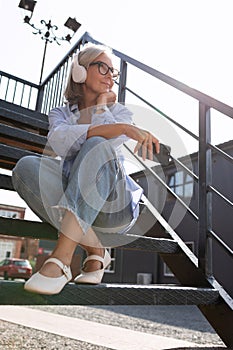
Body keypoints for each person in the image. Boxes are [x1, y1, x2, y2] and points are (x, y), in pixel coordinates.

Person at [12, 43, 160, 295]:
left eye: (113, 72)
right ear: (80, 72)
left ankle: (61, 259)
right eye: (102, 67)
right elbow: (61, 142)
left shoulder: (119, 112)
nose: (109, 75)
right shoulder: (59, 113)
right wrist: (123, 129)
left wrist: (102, 108)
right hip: (75, 194)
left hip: (114, 207)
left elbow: (103, 145)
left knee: (96, 145)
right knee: (25, 167)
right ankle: (96, 250)